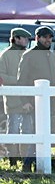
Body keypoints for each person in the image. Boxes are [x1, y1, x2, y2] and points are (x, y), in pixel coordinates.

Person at [17, 26, 55, 172]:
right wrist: (25, 101)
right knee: (38, 133)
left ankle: (36, 164)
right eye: (45, 37)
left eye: (50, 37)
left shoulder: (51, 56)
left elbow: (53, 77)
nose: (48, 40)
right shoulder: (29, 55)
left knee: (45, 134)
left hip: (50, 102)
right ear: (37, 38)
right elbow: (21, 80)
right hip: (34, 101)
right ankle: (28, 164)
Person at [0, 28, 33, 168]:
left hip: (27, 99)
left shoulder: (28, 54)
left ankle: (24, 161)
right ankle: (12, 161)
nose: (27, 41)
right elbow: (1, 77)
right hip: (13, 100)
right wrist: (20, 80)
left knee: (27, 131)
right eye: (24, 38)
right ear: (16, 38)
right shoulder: (5, 55)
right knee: (12, 130)